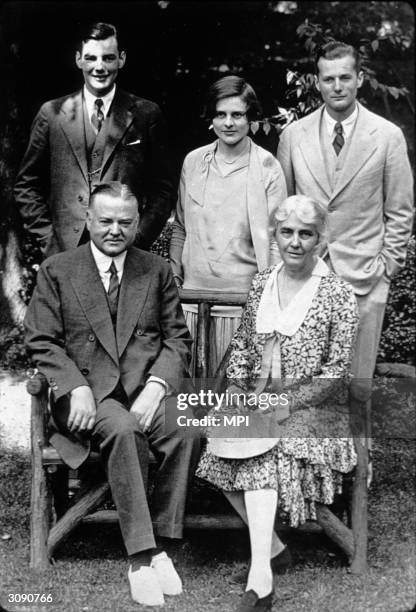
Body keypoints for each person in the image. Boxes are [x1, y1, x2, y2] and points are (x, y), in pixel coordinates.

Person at [24, 182, 200, 607]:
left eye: (125, 222)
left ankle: (160, 543)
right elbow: (41, 341)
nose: (115, 230)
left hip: (143, 389)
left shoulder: (155, 270)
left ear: (138, 223)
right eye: (105, 221)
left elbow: (178, 341)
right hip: (87, 397)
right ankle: (141, 559)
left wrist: (157, 388)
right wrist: (75, 386)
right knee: (122, 429)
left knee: (187, 429)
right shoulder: (59, 270)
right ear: (88, 220)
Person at [197, 195, 359, 611]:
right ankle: (271, 548)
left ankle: (260, 579)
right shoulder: (261, 285)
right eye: (286, 232)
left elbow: (335, 371)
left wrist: (290, 403)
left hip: (316, 412)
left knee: (267, 453)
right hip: (258, 401)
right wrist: (234, 390)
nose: (295, 242)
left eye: (306, 234)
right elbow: (244, 353)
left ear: (321, 240)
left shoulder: (338, 295)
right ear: (275, 235)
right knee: (215, 445)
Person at [276, 40, 414, 406]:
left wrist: (388, 267)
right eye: (328, 78)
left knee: (357, 390)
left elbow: (400, 210)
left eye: (345, 77)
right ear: (317, 82)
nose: (337, 86)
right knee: (303, 388)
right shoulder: (293, 136)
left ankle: (360, 464)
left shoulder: (387, 136)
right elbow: (283, 209)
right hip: (306, 278)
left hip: (366, 279)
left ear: (360, 79)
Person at [14, 22, 174, 257]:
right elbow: (26, 185)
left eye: (108, 58)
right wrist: (50, 242)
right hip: (65, 254)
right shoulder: (52, 113)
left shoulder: (146, 114)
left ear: (122, 59)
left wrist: (137, 238)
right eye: (91, 58)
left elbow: (163, 189)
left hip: (125, 252)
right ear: (79, 60)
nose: (99, 67)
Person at [169, 75, 287, 373]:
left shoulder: (267, 166)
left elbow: (276, 241)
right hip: (191, 304)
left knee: (233, 406)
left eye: (237, 114)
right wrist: (175, 281)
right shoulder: (194, 162)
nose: (229, 123)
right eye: (220, 114)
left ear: (251, 118)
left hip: (242, 305)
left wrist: (268, 303)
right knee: (189, 403)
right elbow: (181, 226)